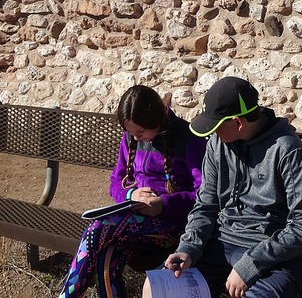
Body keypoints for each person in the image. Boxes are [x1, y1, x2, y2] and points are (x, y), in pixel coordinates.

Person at [143, 76, 302, 298]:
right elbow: (204, 206)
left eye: (216, 127)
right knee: (156, 288)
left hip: (272, 254)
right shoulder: (217, 144)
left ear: (237, 122)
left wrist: (250, 265)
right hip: (221, 243)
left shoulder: (288, 151)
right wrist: (188, 248)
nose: (212, 133)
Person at [58, 85, 206, 298]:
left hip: (174, 228)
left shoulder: (187, 138)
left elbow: (202, 196)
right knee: (108, 256)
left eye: (140, 132)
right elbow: (116, 181)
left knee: (98, 230)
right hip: (133, 223)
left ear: (155, 120)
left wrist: (164, 204)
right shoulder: (131, 138)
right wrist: (130, 195)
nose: (135, 138)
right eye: (131, 133)